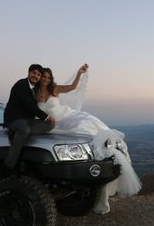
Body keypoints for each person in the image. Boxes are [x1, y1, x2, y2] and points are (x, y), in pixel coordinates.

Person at [36, 64, 141, 213]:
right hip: (53, 124)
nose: (46, 79)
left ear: (50, 78)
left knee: (87, 126)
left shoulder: (55, 89)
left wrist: (79, 73)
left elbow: (72, 87)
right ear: (39, 78)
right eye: (43, 77)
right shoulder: (35, 94)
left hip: (65, 117)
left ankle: (103, 158)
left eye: (48, 77)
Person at [3, 63, 55, 172]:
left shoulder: (35, 88)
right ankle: (10, 164)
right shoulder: (21, 84)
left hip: (27, 120)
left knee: (50, 125)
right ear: (29, 73)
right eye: (34, 73)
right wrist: (45, 116)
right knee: (24, 129)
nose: (35, 76)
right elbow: (29, 105)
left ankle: (17, 134)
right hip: (14, 118)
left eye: (38, 74)